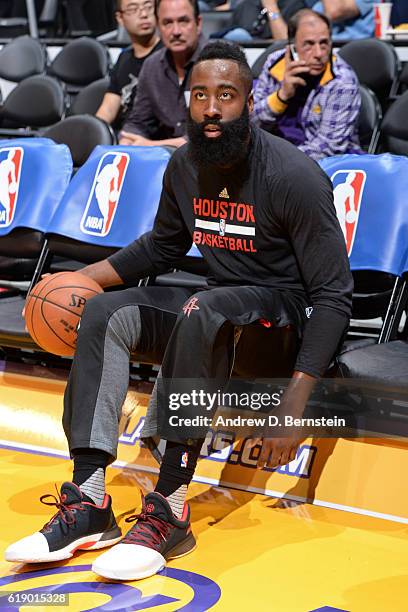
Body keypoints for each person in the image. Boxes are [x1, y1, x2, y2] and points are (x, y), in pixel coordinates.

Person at [5, 41, 353, 581]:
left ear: (249, 100)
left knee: (203, 307)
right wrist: (78, 281)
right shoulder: (185, 164)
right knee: (105, 314)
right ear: (188, 102)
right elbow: (163, 246)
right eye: (200, 96)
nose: (212, 108)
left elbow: (333, 295)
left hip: (276, 325)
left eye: (226, 96)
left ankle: (170, 506)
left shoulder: (294, 176)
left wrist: (295, 400)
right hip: (214, 308)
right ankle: (90, 502)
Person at [252, 9, 362, 160]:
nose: (318, 54)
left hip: (326, 164)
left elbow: (328, 148)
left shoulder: (342, 82)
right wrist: (281, 96)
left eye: (324, 43)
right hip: (276, 153)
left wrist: (276, 159)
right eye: (308, 44)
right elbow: (250, 122)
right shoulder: (275, 63)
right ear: (292, 45)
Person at [119, 0, 206, 148]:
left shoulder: (220, 62)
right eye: (167, 23)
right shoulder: (152, 66)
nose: (176, 31)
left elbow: (213, 135)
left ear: (198, 23)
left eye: (183, 21)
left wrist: (151, 145)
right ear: (159, 26)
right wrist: (128, 139)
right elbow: (138, 122)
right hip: (166, 163)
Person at [96, 0, 161, 131]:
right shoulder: (124, 58)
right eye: (133, 9)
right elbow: (108, 109)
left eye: (148, 7)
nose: (143, 14)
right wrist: (93, 131)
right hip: (124, 136)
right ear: (120, 18)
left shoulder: (167, 54)